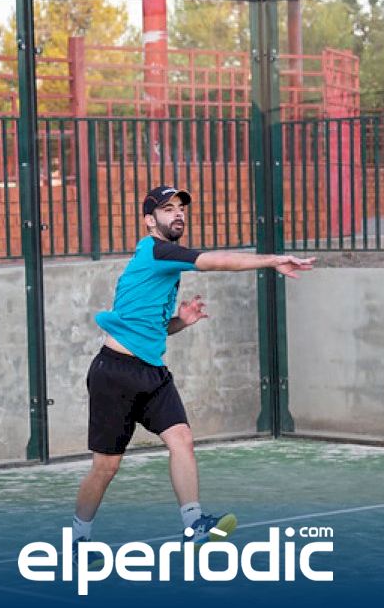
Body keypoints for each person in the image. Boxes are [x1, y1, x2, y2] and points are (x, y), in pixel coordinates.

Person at [73, 185, 315, 547]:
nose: (178, 214)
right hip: (115, 373)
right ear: (149, 221)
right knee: (106, 467)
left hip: (151, 371)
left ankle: (194, 523)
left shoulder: (164, 262)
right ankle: (78, 541)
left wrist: (180, 322)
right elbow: (216, 261)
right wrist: (272, 261)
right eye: (168, 209)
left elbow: (147, 326)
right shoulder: (157, 251)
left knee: (182, 439)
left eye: (181, 208)